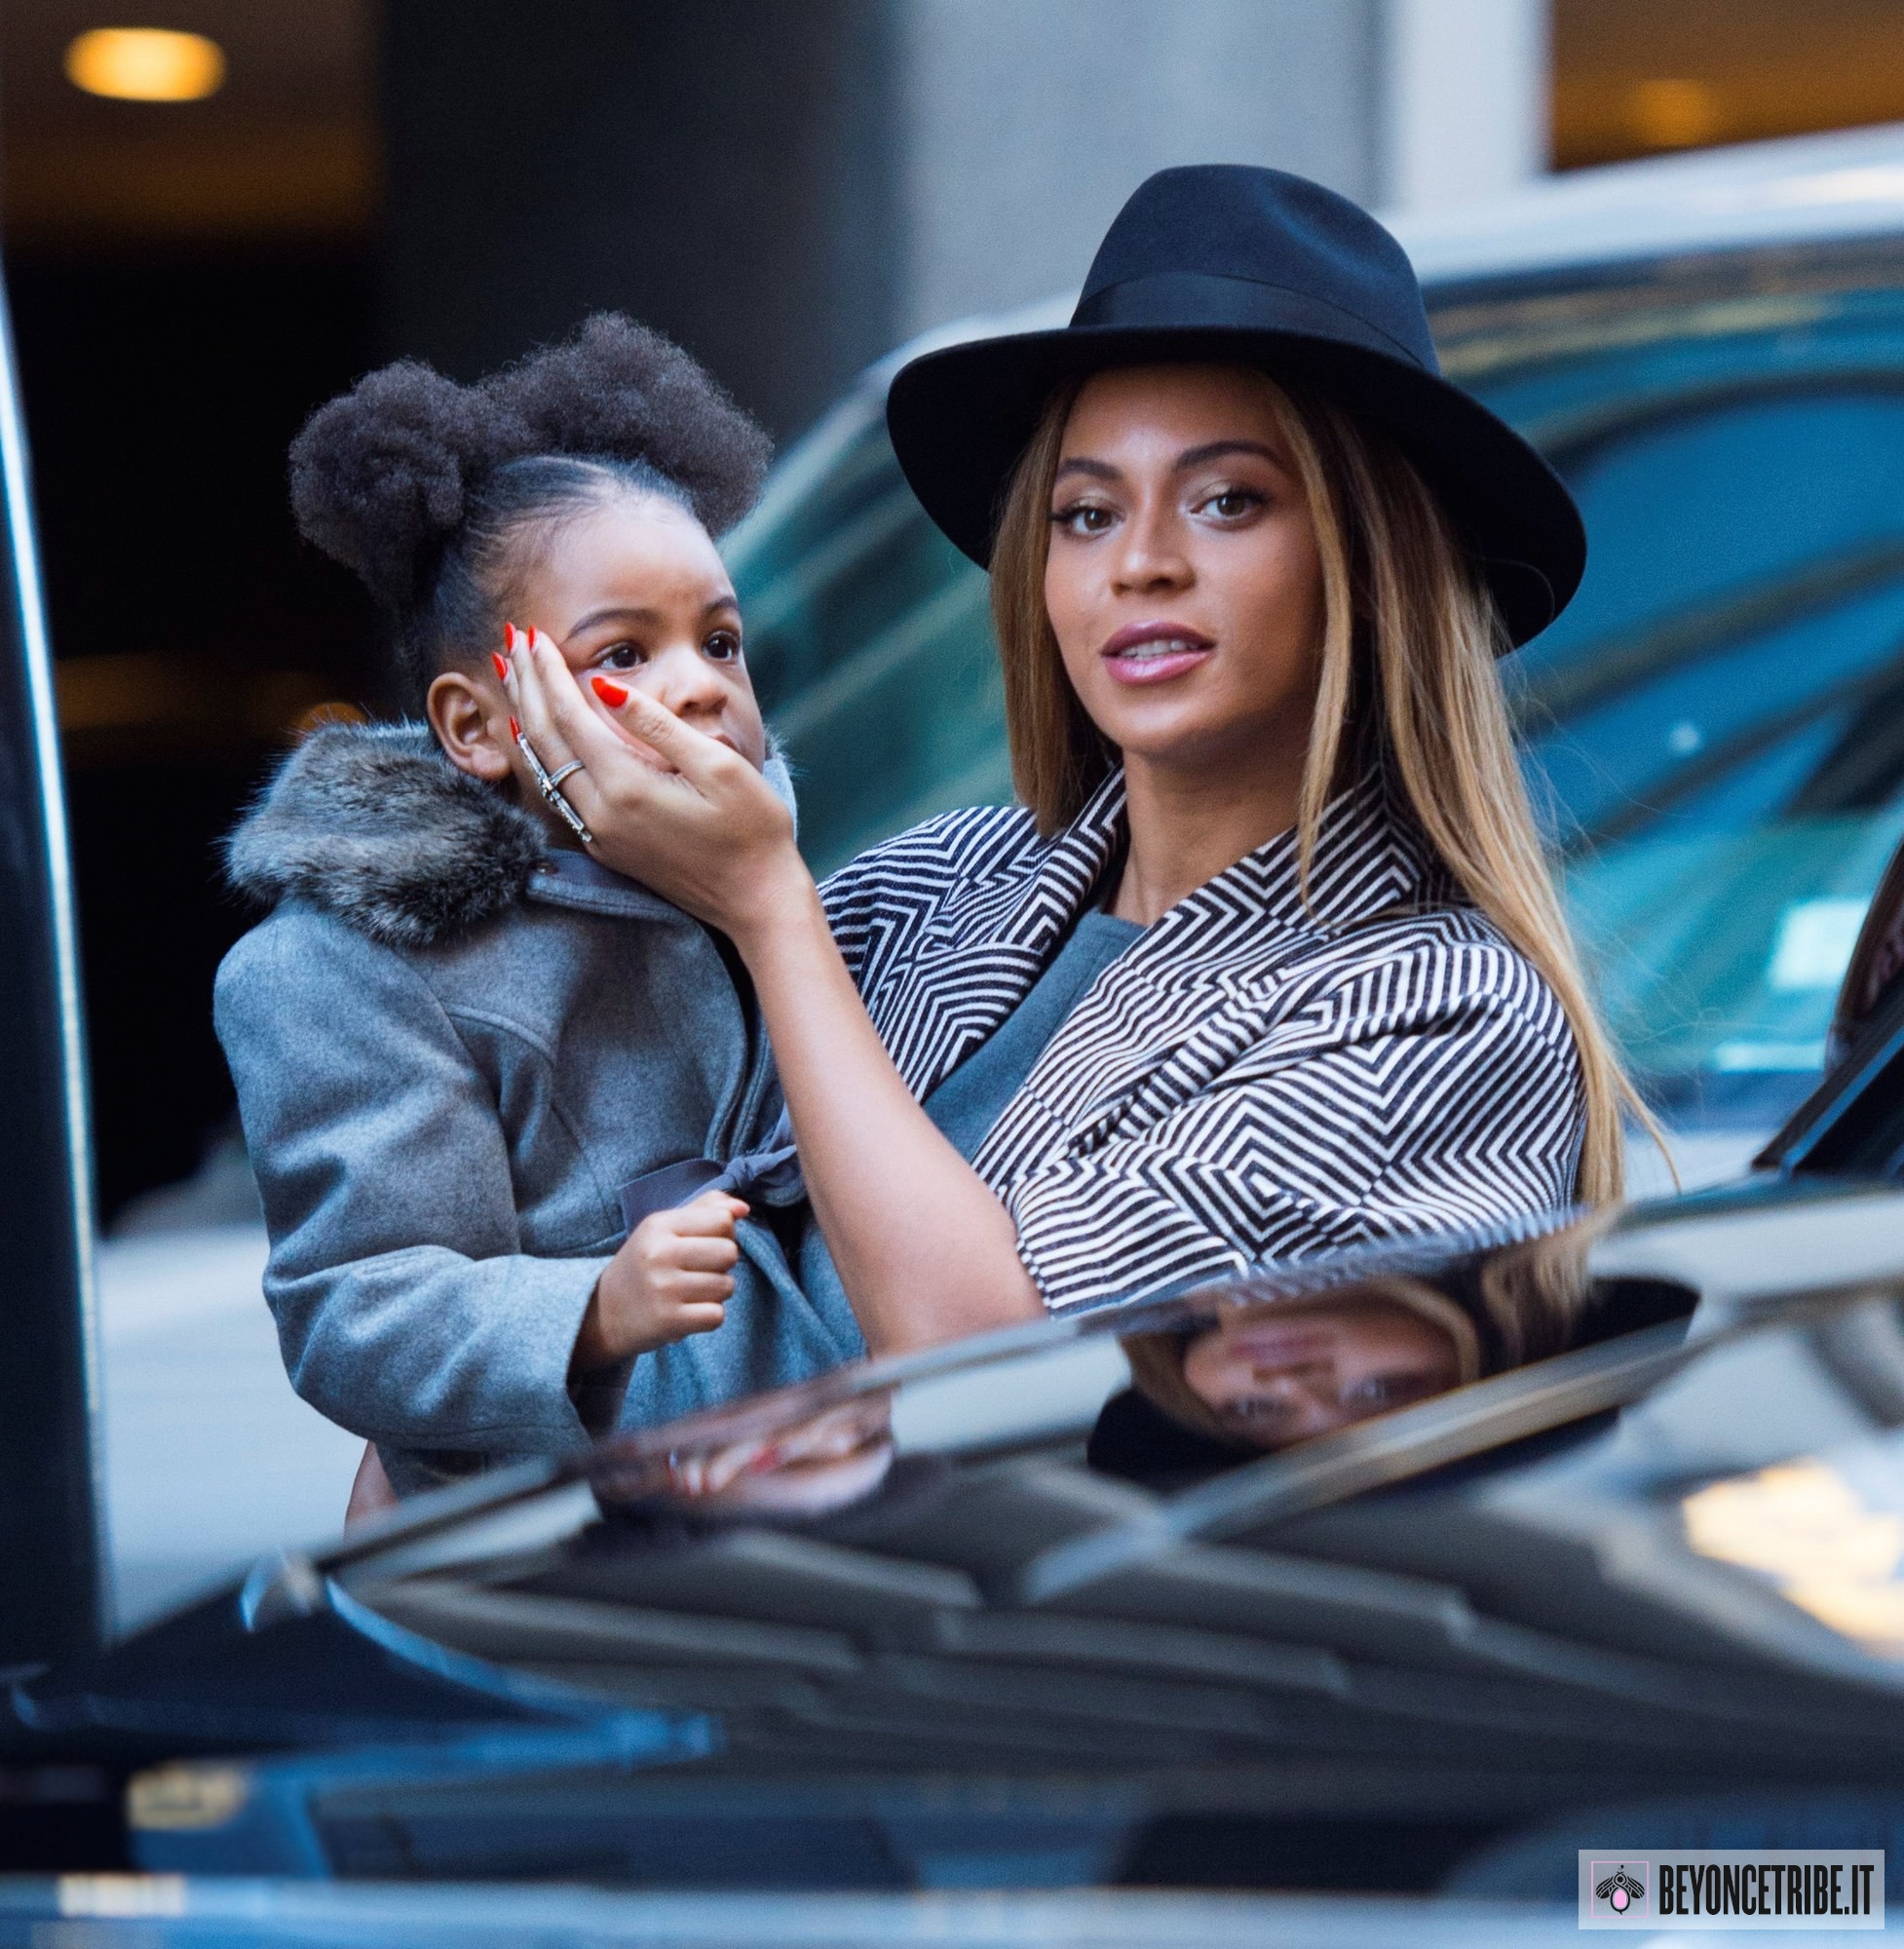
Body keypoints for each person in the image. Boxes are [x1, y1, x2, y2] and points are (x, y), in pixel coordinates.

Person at [499, 167, 1652, 1360]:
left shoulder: (1440, 1012)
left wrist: (767, 909)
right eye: (1086, 513)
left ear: (1371, 558)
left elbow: (999, 1375)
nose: (1138, 563)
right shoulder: (927, 889)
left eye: (1226, 500)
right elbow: (558, 1237)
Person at [214, 316, 859, 1505]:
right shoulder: (347, 964)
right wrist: (594, 1310)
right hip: (561, 1538)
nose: (699, 685)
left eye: (721, 639)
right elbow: (354, 1310)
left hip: (826, 1470)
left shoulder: (775, 885)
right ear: (477, 725)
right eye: (624, 652)